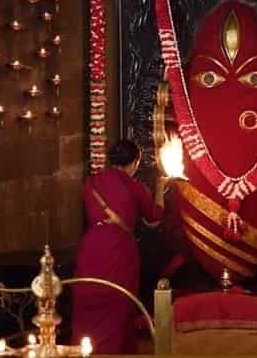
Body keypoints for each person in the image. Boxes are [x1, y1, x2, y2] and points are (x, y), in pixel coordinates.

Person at [71, 140, 169, 353]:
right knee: (117, 304)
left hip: (91, 246)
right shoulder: (135, 187)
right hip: (118, 249)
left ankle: (84, 350)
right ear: (135, 162)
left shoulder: (90, 182)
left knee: (89, 300)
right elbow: (154, 219)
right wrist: (160, 187)